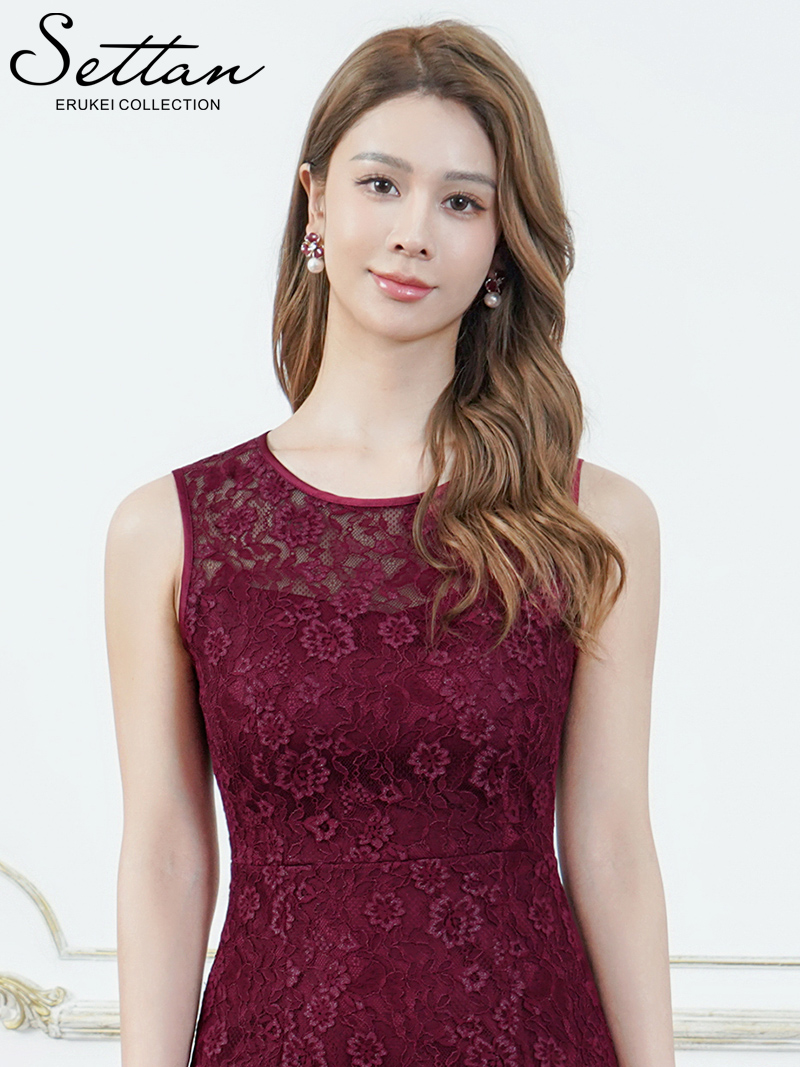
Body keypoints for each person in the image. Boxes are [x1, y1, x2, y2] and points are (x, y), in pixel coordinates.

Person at [104, 18, 674, 1067]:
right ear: (315, 202)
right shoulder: (170, 529)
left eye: (462, 202)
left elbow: (611, 845)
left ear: (500, 245)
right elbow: (166, 858)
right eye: (381, 184)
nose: (415, 231)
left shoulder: (590, 520)